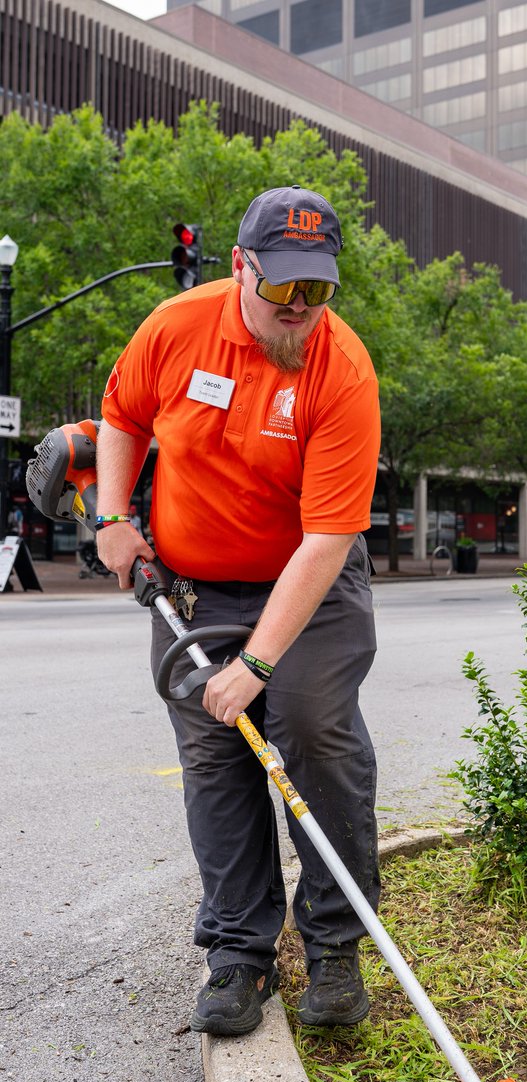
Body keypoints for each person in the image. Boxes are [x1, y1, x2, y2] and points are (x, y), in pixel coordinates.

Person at [96, 185, 381, 1037]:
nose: (299, 311)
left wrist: (256, 665)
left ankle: (334, 948)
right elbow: (121, 416)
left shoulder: (344, 371)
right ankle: (238, 956)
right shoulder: (177, 327)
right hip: (195, 582)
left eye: (317, 291)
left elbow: (326, 540)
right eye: (283, 289)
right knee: (216, 755)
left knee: (313, 728)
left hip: (310, 580)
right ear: (238, 268)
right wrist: (115, 517)